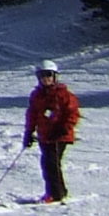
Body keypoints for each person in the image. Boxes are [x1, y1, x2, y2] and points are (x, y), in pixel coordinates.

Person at [23, 60, 80, 202]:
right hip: (45, 135)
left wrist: (63, 129)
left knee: (51, 164)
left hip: (59, 136)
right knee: (47, 164)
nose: (45, 78)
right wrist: (29, 132)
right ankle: (59, 192)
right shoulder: (36, 95)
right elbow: (32, 114)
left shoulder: (64, 94)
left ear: (55, 76)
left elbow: (72, 114)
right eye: (42, 75)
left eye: (48, 75)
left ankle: (56, 194)